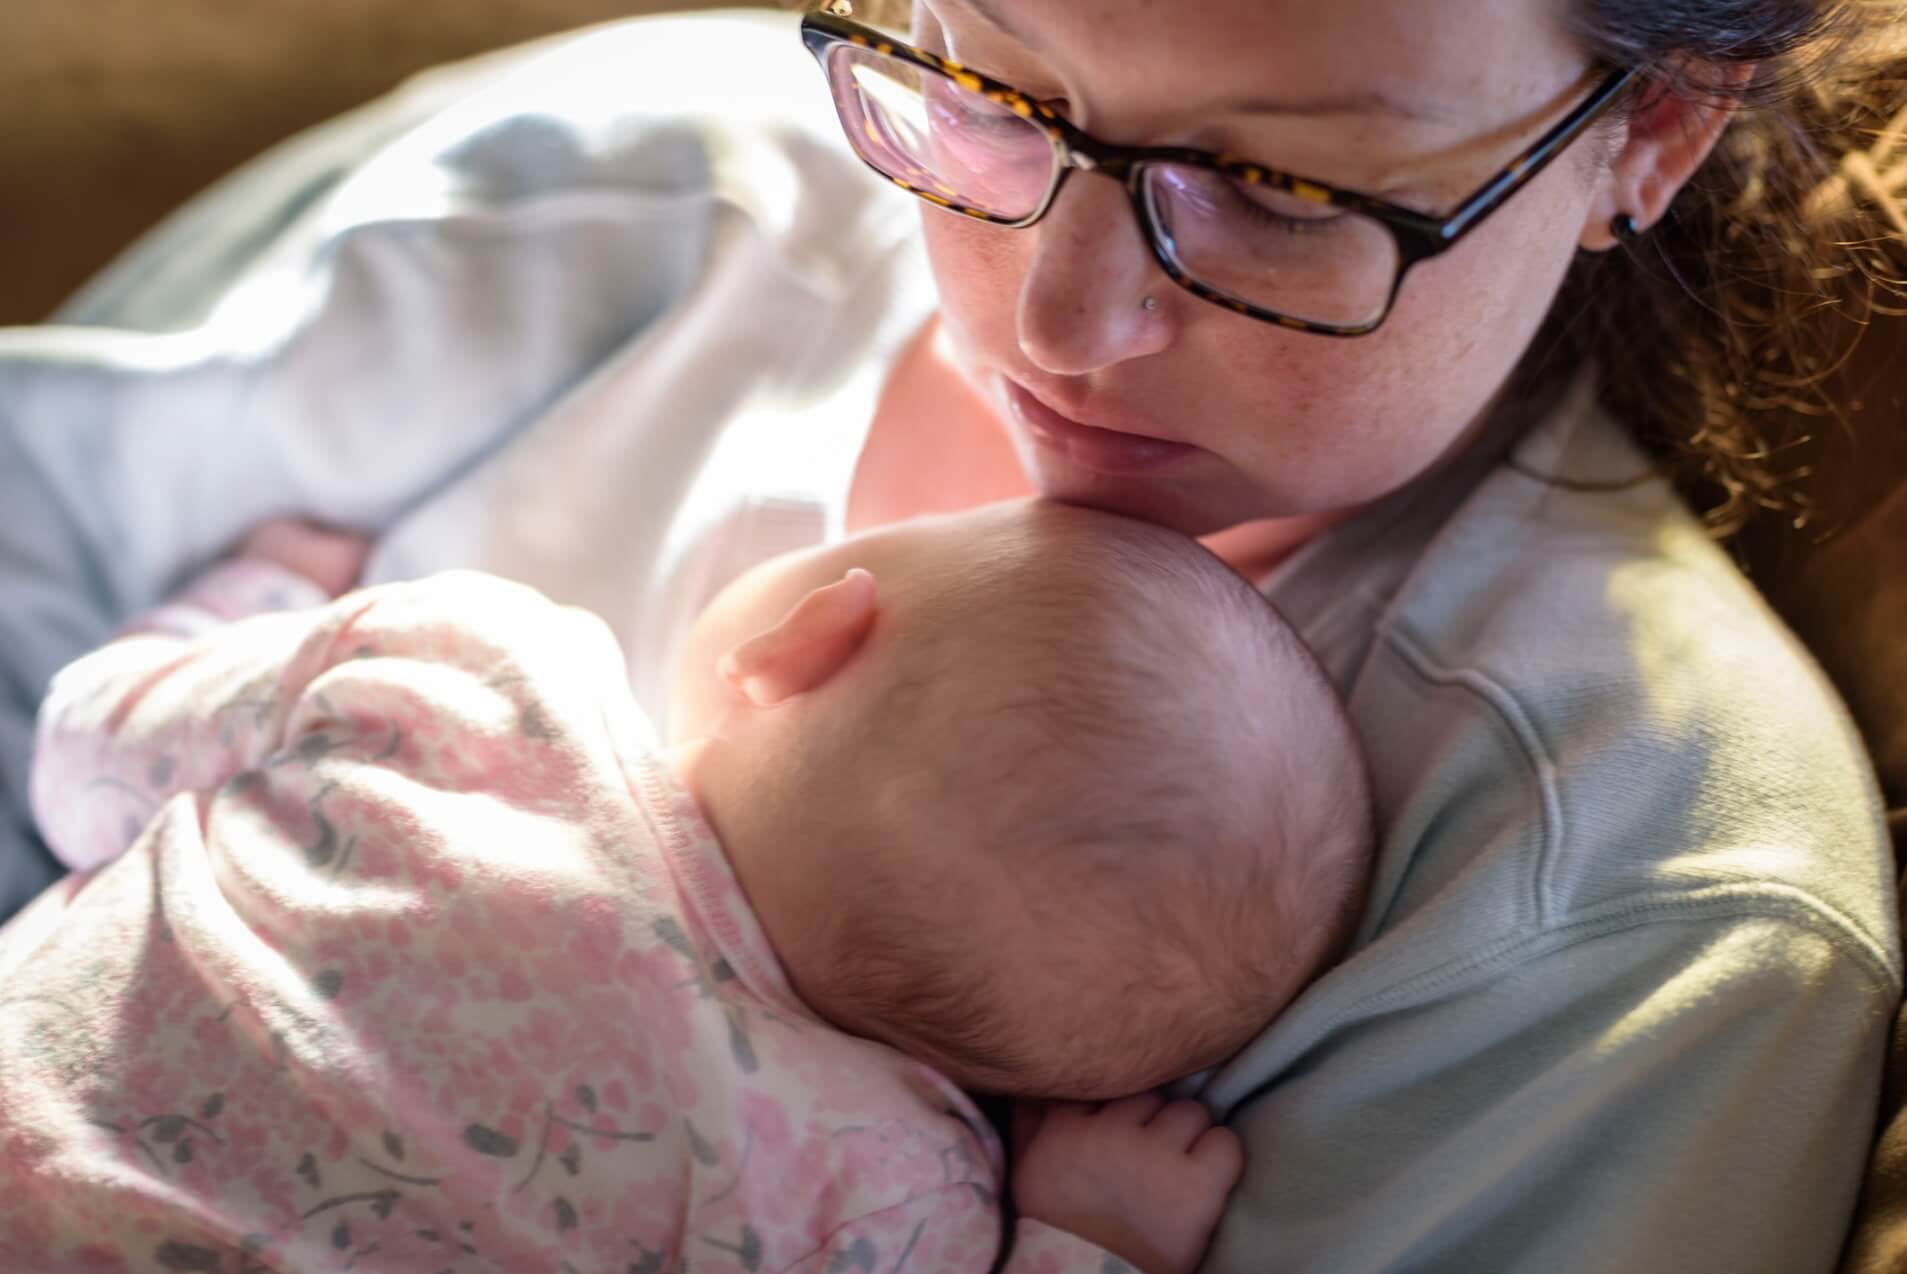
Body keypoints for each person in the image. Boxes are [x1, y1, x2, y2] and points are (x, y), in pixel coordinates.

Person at [0, 0, 1902, 1270]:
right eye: (989, 87)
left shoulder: (1641, 911)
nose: (1061, 324)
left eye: (1280, 190)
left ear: (1654, 124)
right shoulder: (636, 189)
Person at [1, 503, 1373, 1274]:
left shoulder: (464, 672)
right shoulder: (891, 1195)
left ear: (807, 629)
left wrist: (242, 594)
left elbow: (80, 762)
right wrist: (1087, 1236)